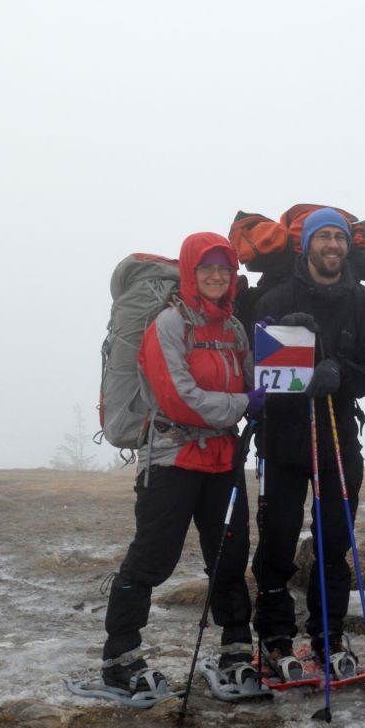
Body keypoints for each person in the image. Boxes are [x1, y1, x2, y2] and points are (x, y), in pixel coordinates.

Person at [101, 232, 264, 696]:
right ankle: (120, 655)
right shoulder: (168, 326)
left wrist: (276, 357)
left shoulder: (233, 329)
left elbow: (254, 384)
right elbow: (178, 399)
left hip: (222, 460)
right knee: (152, 558)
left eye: (224, 269)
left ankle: (236, 648)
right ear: (190, 274)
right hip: (172, 459)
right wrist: (242, 403)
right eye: (206, 268)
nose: (216, 276)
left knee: (230, 558)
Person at [250, 208, 365, 680]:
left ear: (348, 246)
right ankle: (275, 636)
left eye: (339, 237)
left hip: (338, 438)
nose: (332, 245)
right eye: (323, 237)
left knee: (333, 546)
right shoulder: (277, 293)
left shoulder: (364, 304)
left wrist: (340, 373)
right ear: (306, 244)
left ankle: (328, 635)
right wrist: (281, 331)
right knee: (277, 542)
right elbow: (254, 360)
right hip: (282, 439)